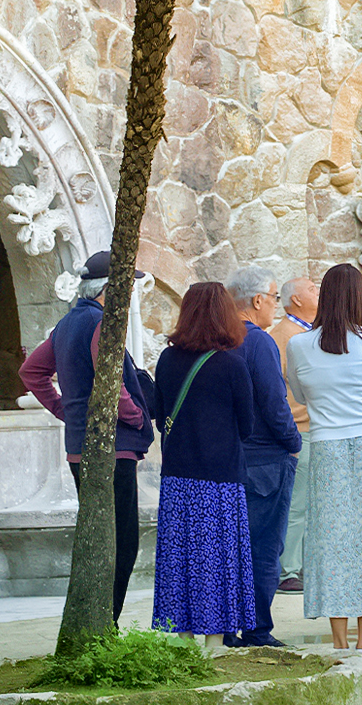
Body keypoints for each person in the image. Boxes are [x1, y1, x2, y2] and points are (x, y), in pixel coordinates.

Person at [20, 249, 154, 623]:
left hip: (81, 448)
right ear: (110, 289)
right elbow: (109, 380)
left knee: (100, 539)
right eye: (128, 284)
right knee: (121, 543)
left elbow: (32, 372)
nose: (131, 292)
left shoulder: (68, 323)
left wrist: (67, 411)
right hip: (113, 449)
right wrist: (137, 417)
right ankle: (105, 625)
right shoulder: (101, 324)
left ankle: (98, 626)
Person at [285, 265, 362, 669]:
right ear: (359, 298)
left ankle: (339, 644)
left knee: (330, 541)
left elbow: (299, 393)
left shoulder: (299, 345)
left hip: (327, 445)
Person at [149, 282, 256, 652]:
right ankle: (214, 640)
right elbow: (248, 426)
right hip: (221, 478)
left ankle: (182, 637)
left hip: (177, 475)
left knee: (179, 555)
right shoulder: (232, 363)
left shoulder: (166, 359)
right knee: (216, 559)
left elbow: (159, 414)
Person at [223, 267, 303, 648]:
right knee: (263, 548)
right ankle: (256, 630)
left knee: (231, 548)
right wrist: (293, 442)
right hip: (267, 459)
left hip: (228, 458)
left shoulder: (218, 339)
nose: (275, 305)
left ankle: (225, 628)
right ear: (257, 301)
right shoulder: (259, 342)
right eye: (274, 297)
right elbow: (275, 404)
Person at [269, 276, 318, 596]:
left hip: (313, 429)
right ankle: (288, 571)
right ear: (296, 300)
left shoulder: (303, 333)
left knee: (307, 502)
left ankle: (298, 565)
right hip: (299, 431)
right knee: (297, 504)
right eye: (313, 288)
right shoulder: (284, 336)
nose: (320, 291)